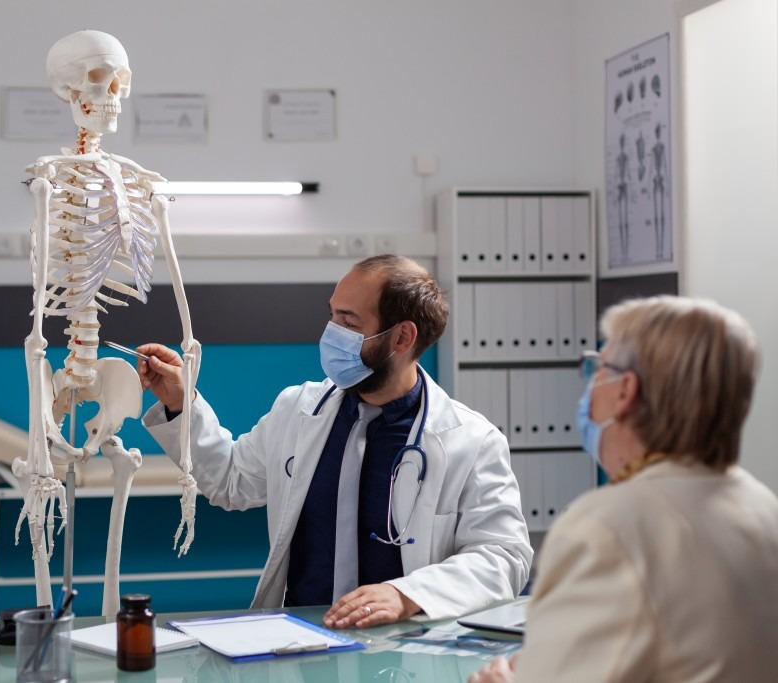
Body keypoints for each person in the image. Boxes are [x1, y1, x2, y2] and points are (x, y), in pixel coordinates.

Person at [138, 255, 532, 628]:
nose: (331, 334)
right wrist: (180, 402)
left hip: (407, 643)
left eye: (348, 321)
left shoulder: (471, 440)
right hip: (299, 637)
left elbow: (504, 556)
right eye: (332, 316)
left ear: (402, 337)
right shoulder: (299, 409)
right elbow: (230, 482)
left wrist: (407, 595)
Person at [470, 296, 778, 683]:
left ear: (625, 390)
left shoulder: (607, 525)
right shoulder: (762, 506)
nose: (591, 382)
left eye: (598, 367)